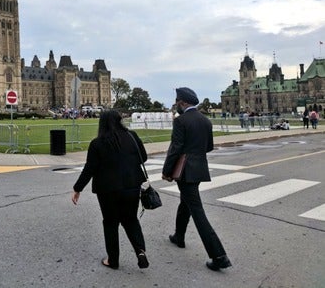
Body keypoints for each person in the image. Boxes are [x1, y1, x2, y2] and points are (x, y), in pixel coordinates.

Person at [162, 87, 232, 271]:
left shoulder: (180, 121)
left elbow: (175, 148)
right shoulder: (205, 120)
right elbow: (208, 147)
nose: (176, 104)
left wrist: (166, 171)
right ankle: (179, 236)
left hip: (185, 170)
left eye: (177, 101)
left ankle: (219, 255)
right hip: (199, 168)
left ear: (183, 102)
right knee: (186, 202)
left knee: (196, 210)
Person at [72, 110, 149, 270]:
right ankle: (140, 251)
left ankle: (113, 260)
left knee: (110, 223)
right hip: (131, 186)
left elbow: (90, 168)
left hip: (107, 189)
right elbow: (144, 156)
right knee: (131, 220)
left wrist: (78, 188)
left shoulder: (97, 143)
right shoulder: (132, 136)